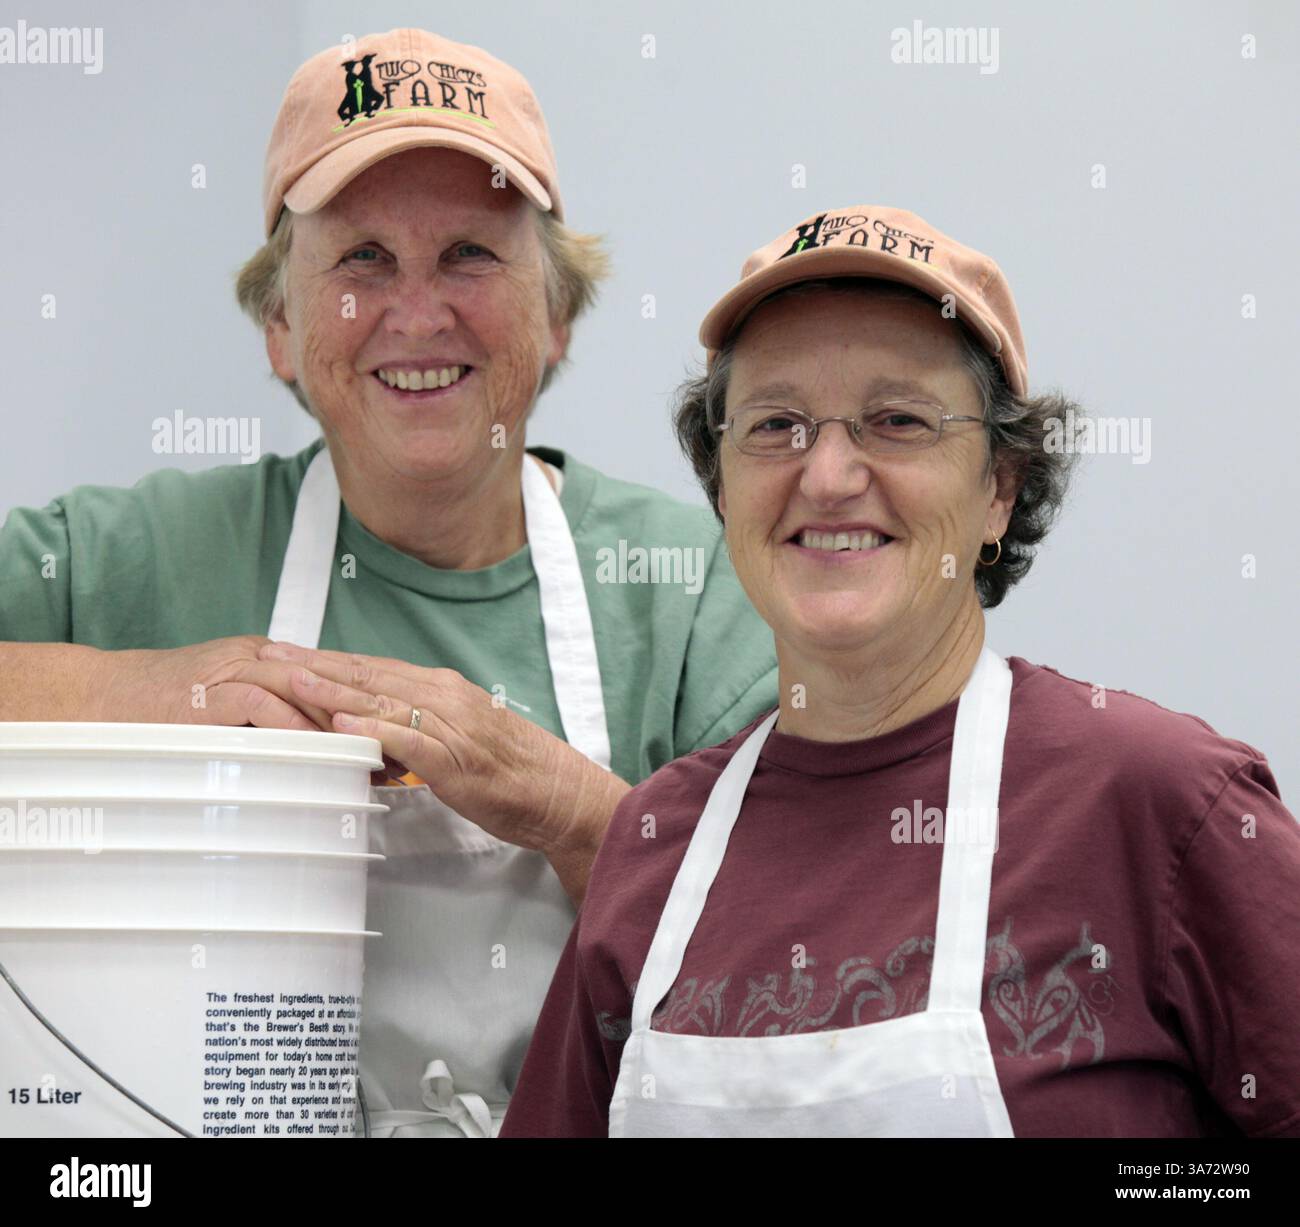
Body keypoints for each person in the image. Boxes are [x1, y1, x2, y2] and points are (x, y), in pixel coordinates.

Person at [0, 29, 779, 1137]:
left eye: (470, 253)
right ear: (281, 327)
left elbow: (812, 964)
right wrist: (122, 692)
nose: (418, 313)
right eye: (362, 258)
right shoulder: (128, 558)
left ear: (558, 316)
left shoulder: (695, 595)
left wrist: (574, 813)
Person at [500, 205, 1300, 1138]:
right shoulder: (654, 848)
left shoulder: (1161, 802)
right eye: (776, 424)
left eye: (898, 420)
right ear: (722, 488)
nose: (828, 475)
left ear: (1000, 487)